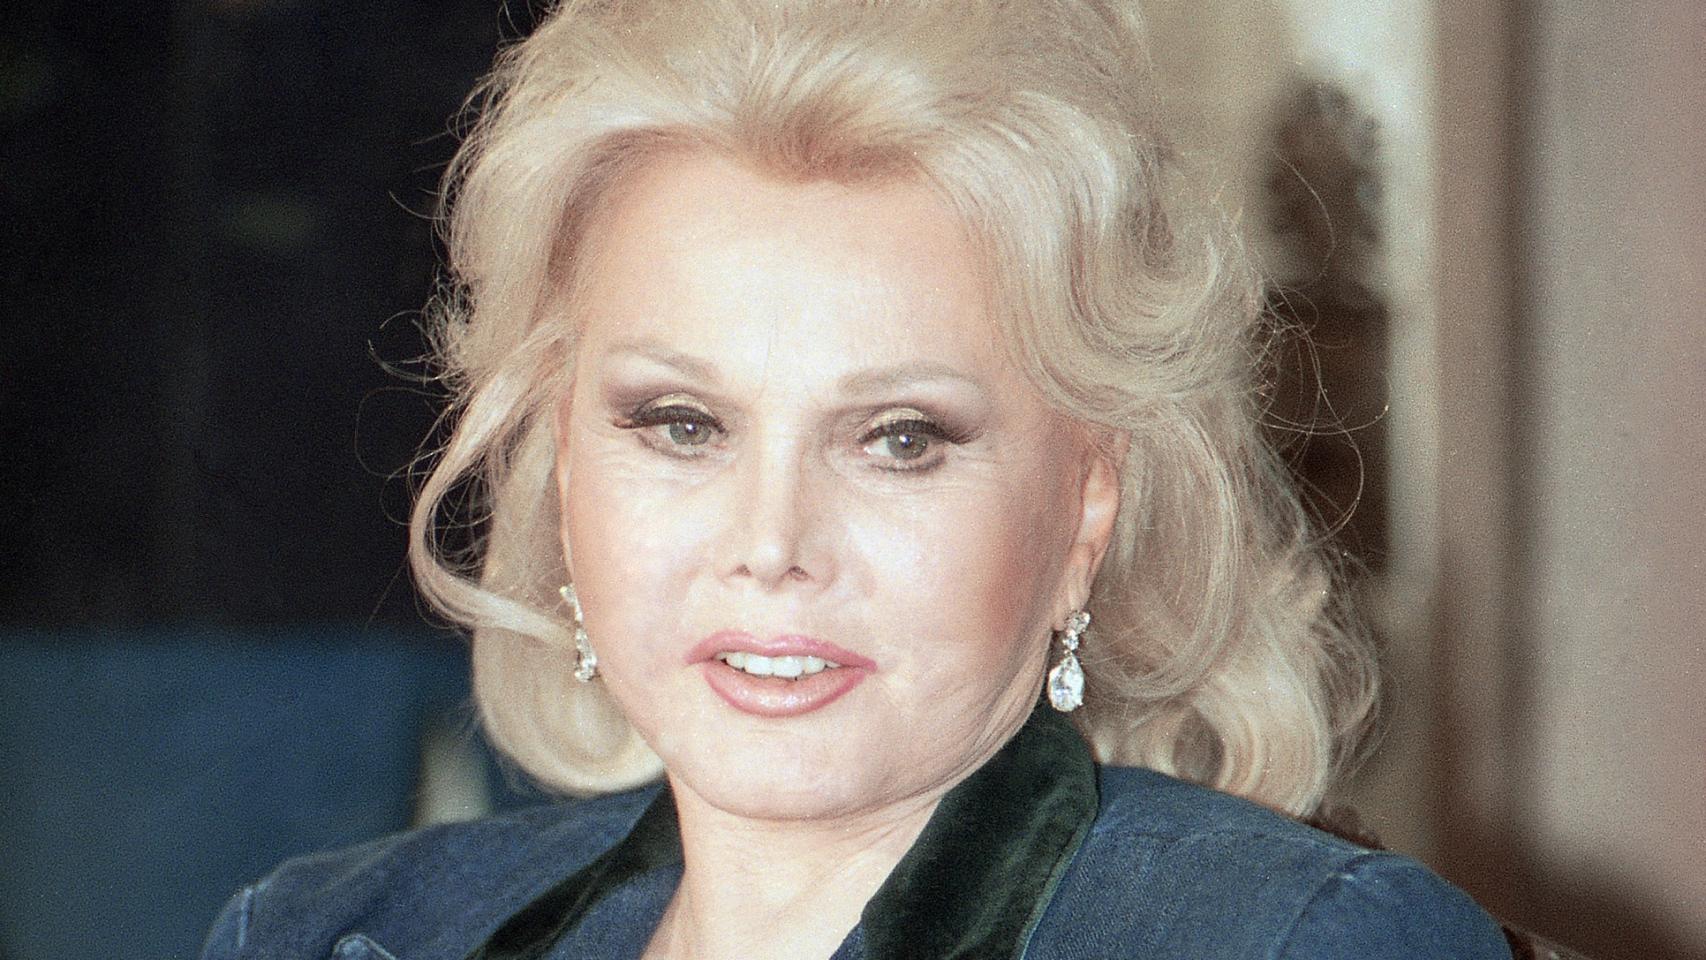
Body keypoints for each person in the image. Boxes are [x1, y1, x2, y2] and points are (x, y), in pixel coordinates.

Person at [202, 1, 1515, 957]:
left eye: (899, 439)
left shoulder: (1289, 943)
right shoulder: (326, 933)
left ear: (1085, 506)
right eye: (681, 425)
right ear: (559, 468)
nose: (771, 543)